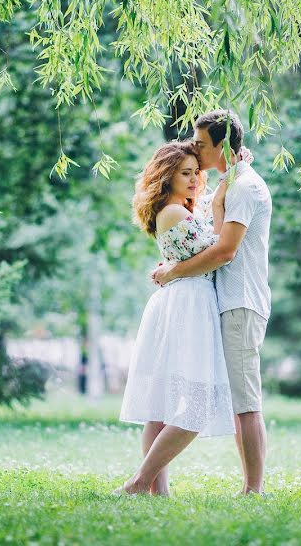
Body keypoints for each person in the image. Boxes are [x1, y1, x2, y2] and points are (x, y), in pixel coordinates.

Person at [152, 110, 272, 495]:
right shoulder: (230, 184)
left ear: (222, 144)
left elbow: (224, 251)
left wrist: (173, 271)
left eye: (202, 143)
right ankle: (246, 488)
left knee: (246, 400)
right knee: (239, 399)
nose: (196, 149)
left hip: (240, 301)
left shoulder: (244, 187)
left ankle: (253, 490)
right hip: (222, 302)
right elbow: (206, 230)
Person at [116, 141, 235, 496]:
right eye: (185, 174)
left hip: (188, 298)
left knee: (164, 405)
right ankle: (140, 482)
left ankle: (156, 491)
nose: (194, 179)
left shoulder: (182, 209)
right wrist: (224, 191)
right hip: (189, 301)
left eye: (196, 172)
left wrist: (219, 190)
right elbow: (216, 249)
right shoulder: (173, 212)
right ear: (166, 178)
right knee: (195, 404)